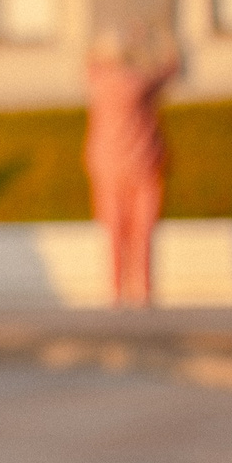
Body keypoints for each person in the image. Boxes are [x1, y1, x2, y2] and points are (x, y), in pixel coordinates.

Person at [87, 24, 180, 308]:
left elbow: (91, 59)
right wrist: (155, 38)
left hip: (110, 166)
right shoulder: (140, 82)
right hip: (142, 164)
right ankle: (144, 293)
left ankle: (117, 293)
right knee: (143, 232)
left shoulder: (97, 81)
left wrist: (121, 42)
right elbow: (170, 67)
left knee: (116, 232)